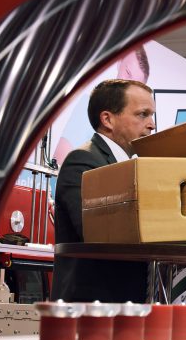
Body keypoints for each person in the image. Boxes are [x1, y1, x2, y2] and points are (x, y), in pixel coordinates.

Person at [52, 79, 156, 302]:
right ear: (107, 119)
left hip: (123, 306)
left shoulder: (131, 167)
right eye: (142, 114)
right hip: (90, 309)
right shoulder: (83, 161)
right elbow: (95, 231)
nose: (152, 124)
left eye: (151, 115)